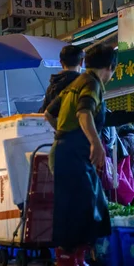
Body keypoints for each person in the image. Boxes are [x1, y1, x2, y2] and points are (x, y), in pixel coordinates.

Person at [45, 44, 134, 265]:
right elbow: (84, 112)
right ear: (111, 67)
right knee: (86, 207)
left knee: (83, 206)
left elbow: (48, 113)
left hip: (65, 152)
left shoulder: (76, 82)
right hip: (72, 155)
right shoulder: (91, 83)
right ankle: (69, 258)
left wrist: (64, 134)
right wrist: (95, 143)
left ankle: (73, 258)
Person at [39, 45, 84, 112]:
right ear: (81, 62)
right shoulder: (85, 84)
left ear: (61, 62)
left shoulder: (53, 86)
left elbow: (44, 112)